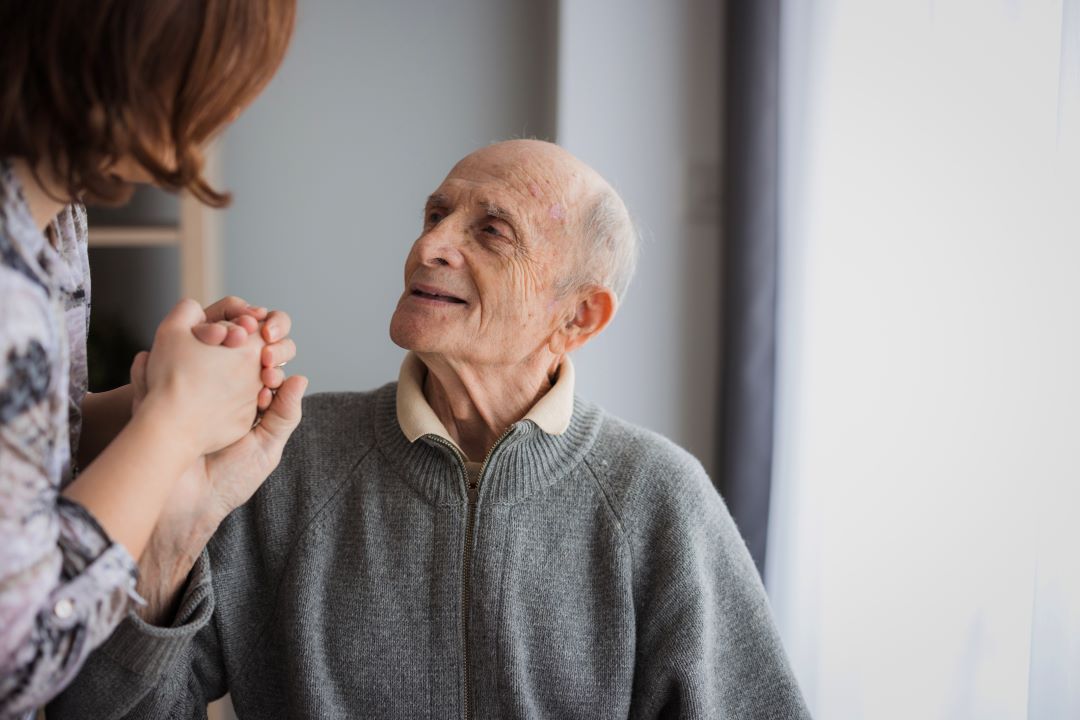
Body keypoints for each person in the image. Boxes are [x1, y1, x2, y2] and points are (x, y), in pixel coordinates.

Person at [50, 140, 809, 719]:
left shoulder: (658, 498)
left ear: (578, 316)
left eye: (492, 231)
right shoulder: (282, 457)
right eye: (437, 214)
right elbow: (104, 712)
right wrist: (176, 533)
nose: (431, 245)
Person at [0, 2, 304, 717]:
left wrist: (154, 406)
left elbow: (23, 458)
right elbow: (17, 650)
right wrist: (171, 423)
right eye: (222, 79)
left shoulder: (55, 220)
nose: (230, 110)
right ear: (134, 61)